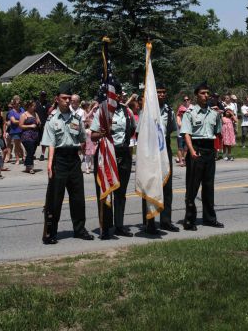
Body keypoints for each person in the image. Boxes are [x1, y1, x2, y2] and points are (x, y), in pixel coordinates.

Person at [41, 83, 94, 244]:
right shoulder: (52, 120)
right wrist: (50, 164)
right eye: (64, 98)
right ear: (57, 99)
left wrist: (85, 158)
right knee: (55, 199)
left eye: (69, 98)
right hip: (59, 160)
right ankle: (50, 232)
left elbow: (82, 140)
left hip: (73, 159)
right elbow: (50, 143)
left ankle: (79, 229)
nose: (67, 101)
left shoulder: (76, 119)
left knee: (78, 197)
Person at [91, 81, 136, 239]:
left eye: (119, 93)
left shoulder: (127, 111)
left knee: (121, 193)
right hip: (106, 154)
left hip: (123, 154)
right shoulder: (101, 111)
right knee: (105, 191)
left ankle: (119, 225)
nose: (118, 96)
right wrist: (103, 133)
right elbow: (93, 135)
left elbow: (132, 130)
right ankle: (105, 227)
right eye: (115, 93)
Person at [180, 81, 224, 231]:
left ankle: (210, 218)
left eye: (207, 93)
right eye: (202, 93)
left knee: (208, 186)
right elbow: (186, 133)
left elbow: (217, 133)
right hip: (196, 149)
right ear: (196, 96)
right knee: (192, 186)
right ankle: (189, 220)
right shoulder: (189, 113)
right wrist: (191, 151)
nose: (206, 96)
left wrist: (216, 150)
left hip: (209, 150)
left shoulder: (214, 114)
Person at [142, 83, 179, 234]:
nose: (162, 95)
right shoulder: (147, 111)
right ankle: (149, 222)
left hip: (165, 151)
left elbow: (172, 130)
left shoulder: (169, 111)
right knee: (150, 186)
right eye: (159, 92)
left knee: (167, 187)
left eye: (164, 92)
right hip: (150, 151)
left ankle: (166, 221)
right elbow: (141, 133)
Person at [19, 100, 41, 173]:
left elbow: (38, 122)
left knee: (32, 152)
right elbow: (20, 125)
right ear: (29, 106)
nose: (35, 107)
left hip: (35, 135)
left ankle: (27, 166)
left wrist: (39, 123)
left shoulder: (35, 113)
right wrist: (30, 125)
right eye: (33, 106)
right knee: (30, 150)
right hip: (26, 136)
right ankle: (30, 167)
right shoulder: (24, 115)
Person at [8, 96, 25, 164]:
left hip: (22, 129)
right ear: (14, 104)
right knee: (17, 145)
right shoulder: (11, 112)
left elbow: (25, 116)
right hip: (15, 131)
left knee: (20, 145)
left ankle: (23, 156)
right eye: (18, 103)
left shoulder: (22, 110)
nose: (19, 105)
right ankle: (17, 159)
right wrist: (21, 121)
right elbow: (14, 121)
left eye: (19, 103)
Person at [176, 96, 192, 167]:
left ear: (190, 100)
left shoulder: (192, 108)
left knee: (186, 148)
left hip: (188, 132)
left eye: (187, 99)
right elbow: (178, 117)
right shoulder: (181, 108)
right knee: (180, 147)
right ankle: (181, 161)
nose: (186, 101)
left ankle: (185, 161)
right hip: (181, 132)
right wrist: (180, 124)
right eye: (184, 100)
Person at [35, 91, 51, 161]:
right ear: (40, 96)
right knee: (35, 140)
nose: (43, 97)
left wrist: (47, 123)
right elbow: (33, 112)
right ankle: (33, 153)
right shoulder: (36, 103)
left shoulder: (47, 104)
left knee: (43, 140)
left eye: (44, 95)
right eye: (42, 95)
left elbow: (50, 113)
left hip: (45, 124)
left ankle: (42, 154)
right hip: (36, 124)